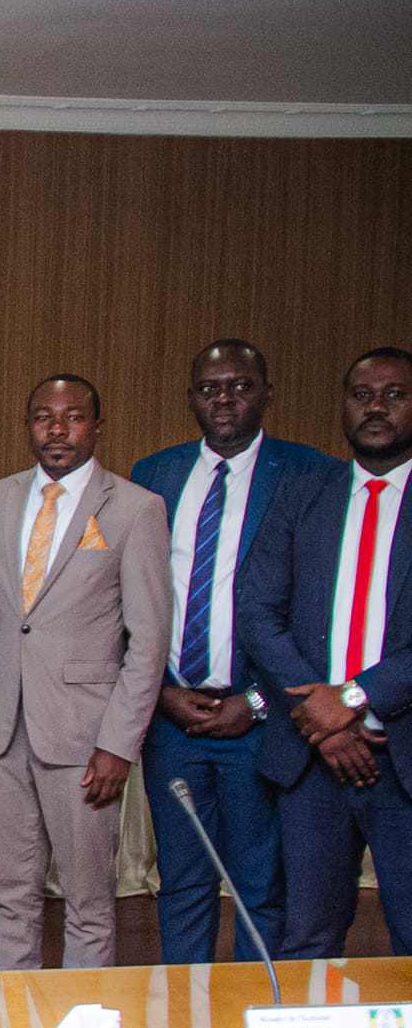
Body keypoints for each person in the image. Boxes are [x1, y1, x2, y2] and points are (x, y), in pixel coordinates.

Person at [0, 374, 170, 970]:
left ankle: (84, 1025)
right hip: (4, 729)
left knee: (89, 904)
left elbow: (148, 640)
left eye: (72, 417)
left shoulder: (135, 508)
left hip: (85, 736)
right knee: (11, 897)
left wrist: (119, 743)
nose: (57, 429)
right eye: (43, 417)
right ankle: (15, 1018)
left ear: (97, 427)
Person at [130, 340, 333, 964]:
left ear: (267, 393)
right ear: (191, 397)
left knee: (259, 886)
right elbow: (131, 598)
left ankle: (252, 1012)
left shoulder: (310, 473)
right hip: (174, 720)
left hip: (261, 719)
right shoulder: (154, 475)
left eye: (240, 386)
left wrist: (261, 701)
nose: (224, 399)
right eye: (210, 387)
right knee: (182, 883)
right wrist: (159, 693)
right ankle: (186, 1013)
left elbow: (317, 609)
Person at [242, 347, 412, 957]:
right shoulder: (303, 494)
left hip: (402, 756)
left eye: (394, 395)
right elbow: (257, 612)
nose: (375, 407)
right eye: (362, 395)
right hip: (311, 758)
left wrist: (356, 698)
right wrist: (324, 717)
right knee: (307, 941)